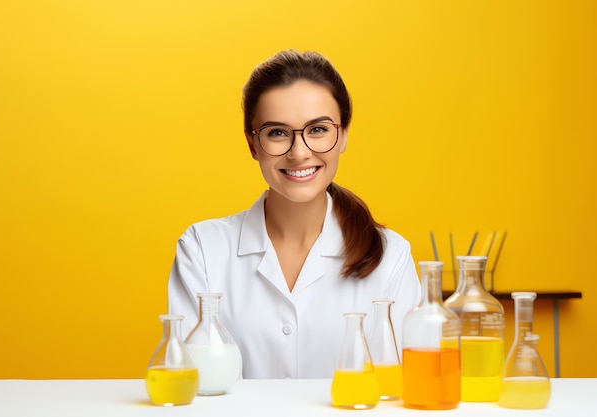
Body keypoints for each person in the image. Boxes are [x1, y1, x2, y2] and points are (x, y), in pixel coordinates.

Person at [168, 49, 421, 379]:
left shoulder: (391, 256)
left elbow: (406, 390)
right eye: (277, 132)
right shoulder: (203, 249)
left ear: (343, 135)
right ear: (252, 144)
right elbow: (193, 384)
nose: (299, 153)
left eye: (318, 130)